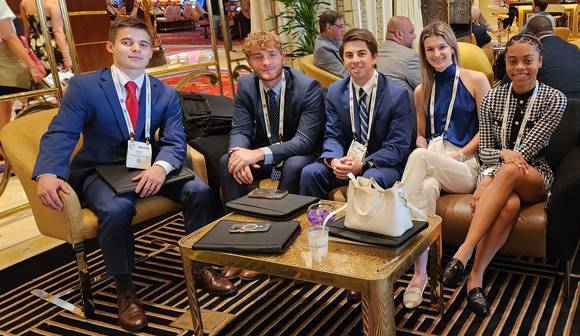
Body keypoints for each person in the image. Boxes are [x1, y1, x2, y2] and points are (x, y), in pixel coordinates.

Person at [32, 17, 233, 332]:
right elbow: (61, 133)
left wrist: (160, 167)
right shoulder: (85, 87)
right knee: (115, 209)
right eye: (127, 42)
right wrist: (47, 171)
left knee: (199, 190)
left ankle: (202, 264)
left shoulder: (163, 92)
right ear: (111, 47)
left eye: (143, 44)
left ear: (151, 49)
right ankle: (125, 290)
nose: (136, 49)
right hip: (100, 169)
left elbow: (174, 140)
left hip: (148, 165)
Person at [442, 33, 566, 316]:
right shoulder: (492, 97)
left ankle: (464, 251)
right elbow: (485, 149)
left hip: (534, 175)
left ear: (540, 62)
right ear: (504, 63)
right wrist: (498, 161)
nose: (519, 68)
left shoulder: (554, 99)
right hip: (498, 174)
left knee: (512, 167)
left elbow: (525, 152)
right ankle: (475, 279)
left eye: (527, 61)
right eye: (512, 61)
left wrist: (490, 178)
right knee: (508, 204)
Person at [219, 31, 325, 281]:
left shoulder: (306, 87)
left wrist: (256, 153)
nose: (266, 62)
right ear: (250, 61)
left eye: (271, 55)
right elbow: (240, 129)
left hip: (298, 153)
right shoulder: (246, 86)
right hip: (266, 156)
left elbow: (304, 141)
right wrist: (237, 154)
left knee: (293, 165)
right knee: (227, 163)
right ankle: (239, 249)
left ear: (283, 57)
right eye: (258, 57)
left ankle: (275, 248)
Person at [400, 21, 491, 309]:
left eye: (442, 47)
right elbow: (422, 135)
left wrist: (460, 153)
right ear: (423, 54)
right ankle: (420, 274)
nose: (436, 54)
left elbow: (487, 130)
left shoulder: (476, 79)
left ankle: (393, 229)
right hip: (432, 159)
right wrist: (422, 145)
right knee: (424, 187)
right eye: (430, 50)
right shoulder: (420, 91)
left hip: (465, 164)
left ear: (453, 48)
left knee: (419, 159)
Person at [300, 28, 413, 200]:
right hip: (346, 161)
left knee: (367, 180)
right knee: (311, 172)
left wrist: (363, 164)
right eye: (349, 55)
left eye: (361, 54)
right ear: (343, 60)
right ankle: (316, 223)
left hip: (382, 165)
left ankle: (357, 227)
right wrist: (334, 160)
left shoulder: (397, 95)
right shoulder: (335, 91)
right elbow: (333, 135)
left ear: (374, 57)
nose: (355, 61)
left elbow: (397, 147)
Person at [0, 0, 43, 167]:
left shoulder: (25, 3)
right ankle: (12, 157)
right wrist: (31, 65)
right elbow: (9, 36)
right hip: (5, 64)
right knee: (4, 113)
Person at [525, 15, 580, 99]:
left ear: (530, 35)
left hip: (556, 106)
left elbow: (508, 86)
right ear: (554, 31)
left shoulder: (532, 52)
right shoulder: (574, 48)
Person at [20, 0, 72, 71]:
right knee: (62, 79)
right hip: (53, 48)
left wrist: (26, 48)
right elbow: (57, 31)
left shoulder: (24, 3)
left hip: (35, 46)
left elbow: (26, 29)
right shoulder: (54, 2)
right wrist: (67, 58)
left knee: (45, 79)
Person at [377, 16, 420, 94]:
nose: (414, 36)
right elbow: (427, 90)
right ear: (399, 34)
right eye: (411, 32)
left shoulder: (375, 53)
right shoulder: (411, 57)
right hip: (403, 105)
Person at [314, 10, 347, 78]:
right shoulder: (323, 49)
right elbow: (344, 75)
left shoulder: (333, 39)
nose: (344, 29)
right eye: (341, 26)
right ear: (328, 27)